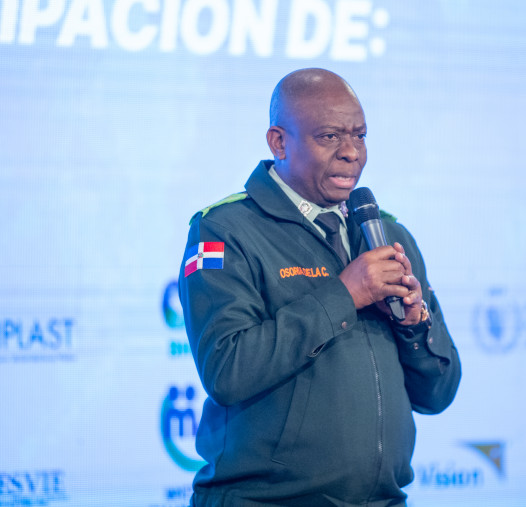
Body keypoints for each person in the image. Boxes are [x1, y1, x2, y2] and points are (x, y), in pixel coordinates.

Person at [178, 68, 461, 507]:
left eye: (360, 136)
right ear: (279, 143)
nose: (352, 152)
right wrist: (344, 295)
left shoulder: (389, 235)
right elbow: (227, 370)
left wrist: (414, 325)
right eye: (330, 137)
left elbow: (438, 395)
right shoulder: (224, 229)